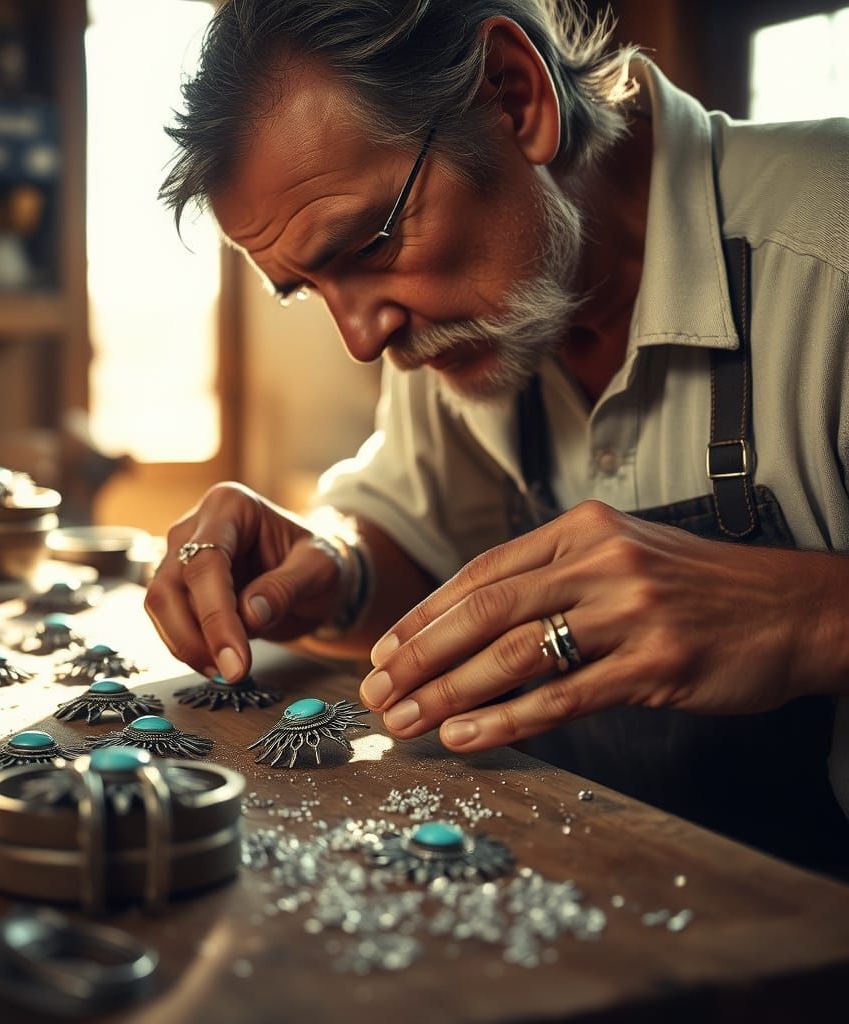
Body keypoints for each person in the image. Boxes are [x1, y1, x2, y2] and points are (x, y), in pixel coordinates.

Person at [147, 0, 849, 869]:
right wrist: (331, 565)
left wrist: (812, 614)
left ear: (515, 98)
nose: (364, 339)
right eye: (307, 288)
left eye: (368, 245)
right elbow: (418, 536)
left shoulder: (834, 248)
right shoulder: (469, 323)